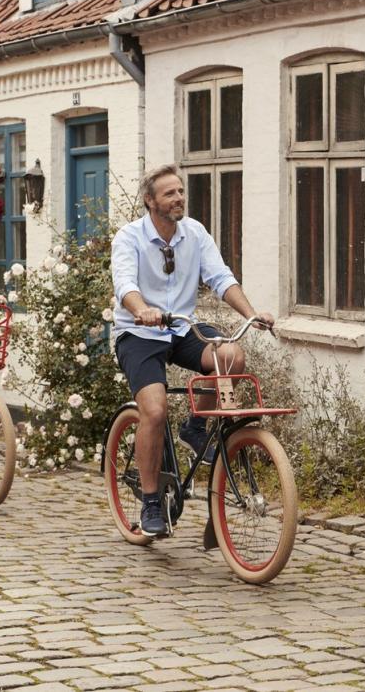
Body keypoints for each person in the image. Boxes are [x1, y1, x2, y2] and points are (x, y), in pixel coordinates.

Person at [111, 164, 274, 537]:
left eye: (181, 191)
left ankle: (195, 427)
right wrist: (142, 310)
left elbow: (220, 277)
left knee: (230, 356)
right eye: (169, 193)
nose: (179, 198)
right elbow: (125, 284)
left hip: (182, 326)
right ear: (150, 201)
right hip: (139, 333)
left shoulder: (195, 233)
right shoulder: (129, 237)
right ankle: (151, 500)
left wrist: (252, 314)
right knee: (153, 409)